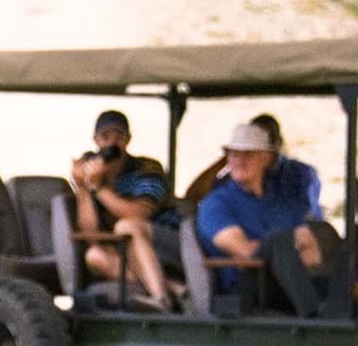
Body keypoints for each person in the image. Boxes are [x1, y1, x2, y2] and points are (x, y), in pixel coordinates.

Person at [197, 121, 326, 293]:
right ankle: (313, 311)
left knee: (338, 284)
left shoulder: (283, 203)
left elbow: (313, 255)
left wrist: (287, 259)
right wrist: (287, 248)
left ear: (267, 158)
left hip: (287, 288)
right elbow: (245, 252)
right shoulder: (216, 204)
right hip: (245, 295)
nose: (239, 160)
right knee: (278, 242)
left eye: (248, 154)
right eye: (234, 154)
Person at [70, 109, 177, 307]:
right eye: (105, 137)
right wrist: (84, 189)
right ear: (96, 140)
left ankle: (161, 298)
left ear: (128, 140)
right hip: (128, 249)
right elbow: (92, 236)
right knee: (94, 256)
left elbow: (139, 215)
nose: (111, 144)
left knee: (126, 227)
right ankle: (174, 288)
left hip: (166, 241)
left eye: (118, 137)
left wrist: (99, 188)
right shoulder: (93, 170)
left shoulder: (148, 168)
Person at [181, 113, 321, 209]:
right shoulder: (238, 176)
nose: (243, 158)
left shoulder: (299, 173)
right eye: (241, 151)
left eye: (251, 152)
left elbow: (304, 212)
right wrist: (226, 160)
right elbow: (193, 196)